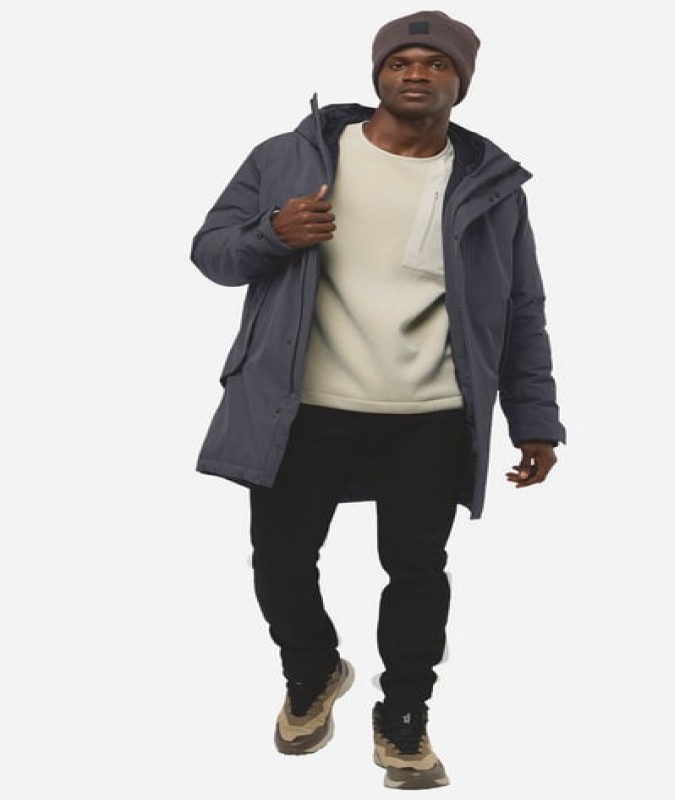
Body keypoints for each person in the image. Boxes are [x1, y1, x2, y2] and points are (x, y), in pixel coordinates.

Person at [189, 10, 566, 791]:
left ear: (461, 81)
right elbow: (212, 252)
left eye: (436, 63)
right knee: (280, 560)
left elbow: (519, 307)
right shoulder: (291, 158)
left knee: (418, 570)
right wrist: (273, 231)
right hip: (302, 405)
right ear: (378, 74)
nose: (416, 74)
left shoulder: (490, 185)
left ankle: (404, 716)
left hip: (430, 414)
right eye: (401, 62)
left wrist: (534, 419)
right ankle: (312, 668)